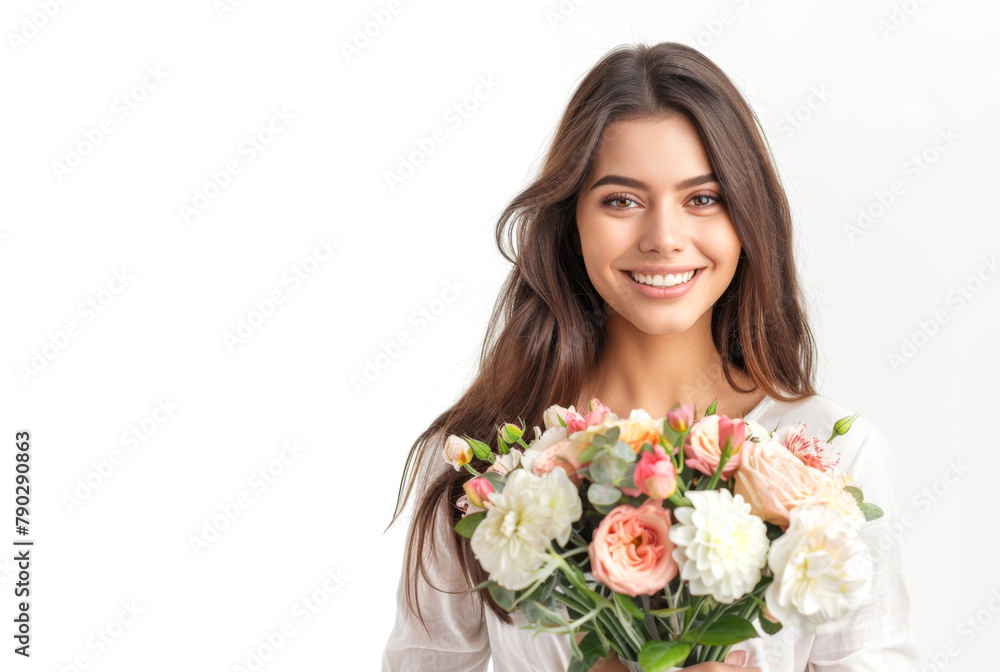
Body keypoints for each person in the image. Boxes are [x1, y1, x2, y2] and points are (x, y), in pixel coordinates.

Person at [381, 41, 921, 671]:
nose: (663, 238)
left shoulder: (830, 453)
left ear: (747, 221)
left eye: (703, 198)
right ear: (571, 222)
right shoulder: (477, 462)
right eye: (621, 200)